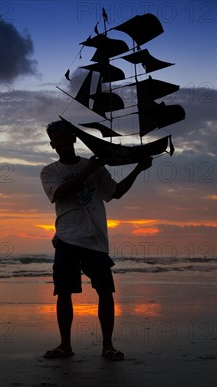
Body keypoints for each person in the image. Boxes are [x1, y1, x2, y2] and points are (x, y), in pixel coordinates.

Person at [40, 120, 152, 360]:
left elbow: (115, 193)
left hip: (96, 241)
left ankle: (108, 346)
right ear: (52, 145)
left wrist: (138, 169)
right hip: (67, 239)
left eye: (66, 137)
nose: (62, 142)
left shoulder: (95, 167)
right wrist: (87, 171)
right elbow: (59, 193)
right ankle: (65, 345)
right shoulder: (50, 171)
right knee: (64, 293)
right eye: (57, 139)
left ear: (74, 139)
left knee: (105, 292)